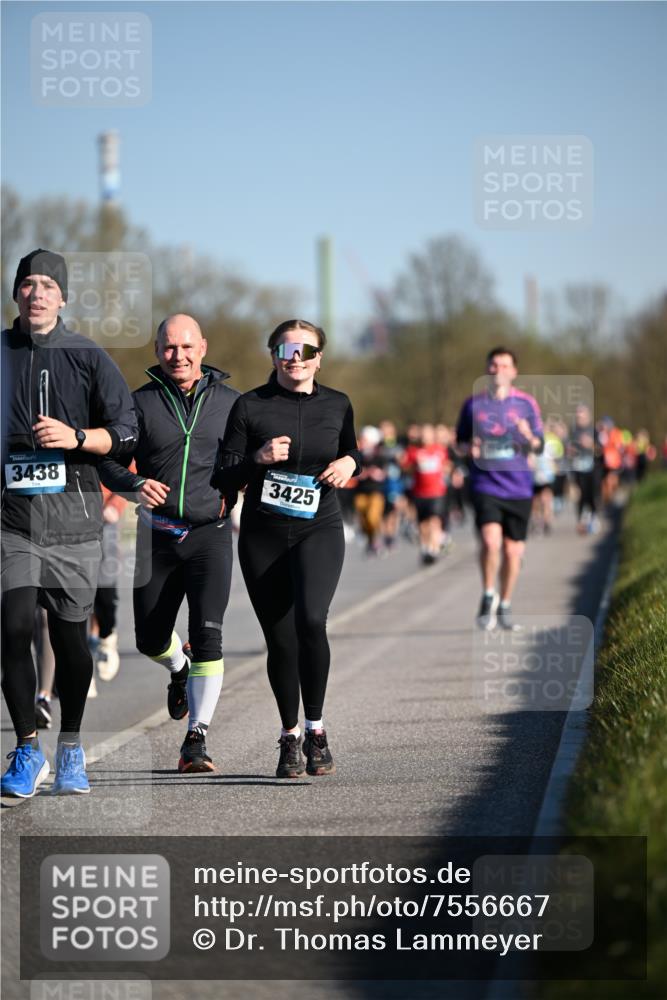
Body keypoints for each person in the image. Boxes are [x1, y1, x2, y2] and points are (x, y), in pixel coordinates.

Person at [1, 248, 137, 797]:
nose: (36, 294)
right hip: (11, 520)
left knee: (69, 639)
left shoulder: (87, 356)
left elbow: (125, 432)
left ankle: (72, 747)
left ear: (62, 298)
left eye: (47, 286)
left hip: (74, 521)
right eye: (27, 283)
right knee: (13, 628)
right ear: (16, 292)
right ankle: (27, 749)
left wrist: (77, 437)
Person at [213, 319, 360, 779]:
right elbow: (223, 474)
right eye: (286, 350)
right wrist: (256, 459)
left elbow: (353, 451)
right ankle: (289, 735)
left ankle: (317, 730)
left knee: (311, 620)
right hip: (265, 534)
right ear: (273, 354)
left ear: (319, 358)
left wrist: (349, 462)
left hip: (319, 527)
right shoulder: (249, 405)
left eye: (306, 351)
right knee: (280, 639)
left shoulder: (338, 403)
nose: (296, 359)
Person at [100, 314, 239, 774]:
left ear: (203, 347)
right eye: (169, 347)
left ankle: (196, 738)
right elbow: (107, 462)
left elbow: (252, 461)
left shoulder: (232, 404)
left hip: (210, 536)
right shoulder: (138, 404)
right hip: (156, 537)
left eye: (186, 346)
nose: (178, 356)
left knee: (209, 634)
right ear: (157, 351)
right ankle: (179, 667)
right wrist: (134, 483)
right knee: (150, 639)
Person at [456, 346, 544, 631]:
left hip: (519, 488)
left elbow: (539, 445)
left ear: (514, 371)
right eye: (494, 365)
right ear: (487, 369)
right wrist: (469, 448)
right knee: (491, 542)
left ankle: (504, 604)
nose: (498, 370)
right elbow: (459, 444)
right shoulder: (472, 405)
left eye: (505, 365)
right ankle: (487, 595)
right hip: (486, 484)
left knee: (512, 552)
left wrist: (528, 435)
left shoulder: (527, 404)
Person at [401, 423, 449, 565]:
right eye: (423, 433)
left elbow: (446, 466)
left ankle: (433, 550)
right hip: (419, 493)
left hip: (437, 492)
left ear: (433, 436)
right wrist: (413, 464)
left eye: (428, 434)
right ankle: (425, 547)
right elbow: (406, 469)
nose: (425, 436)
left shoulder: (440, 450)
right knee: (423, 524)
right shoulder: (413, 451)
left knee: (434, 521)